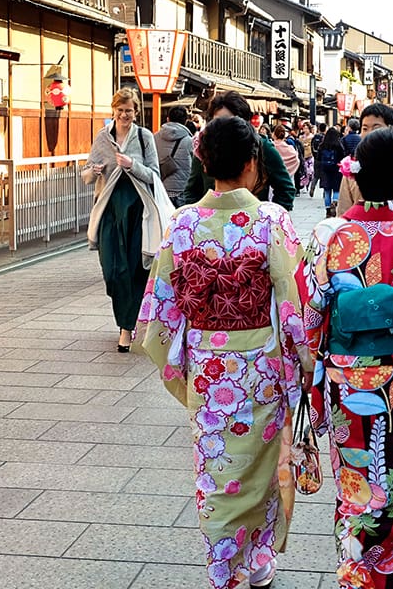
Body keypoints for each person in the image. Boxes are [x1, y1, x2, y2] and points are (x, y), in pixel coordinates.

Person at [136, 116, 312, 589]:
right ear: (253, 163)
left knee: (216, 470)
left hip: (210, 369)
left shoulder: (184, 222)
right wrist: (307, 361)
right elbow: (294, 305)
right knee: (259, 465)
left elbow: (162, 306)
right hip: (261, 366)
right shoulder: (272, 221)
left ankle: (223, 564)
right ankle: (257, 561)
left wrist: (182, 359)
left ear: (205, 162)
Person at [302, 126, 393, 589]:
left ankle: (359, 575)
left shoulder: (329, 235)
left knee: (357, 481)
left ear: (354, 178)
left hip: (349, 377)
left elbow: (311, 311)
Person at [83, 88, 168, 353]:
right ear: (113, 110)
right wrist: (93, 171)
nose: (124, 115)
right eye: (120, 110)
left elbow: (154, 174)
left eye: (129, 111)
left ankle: (126, 328)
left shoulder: (144, 137)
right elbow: (85, 172)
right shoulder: (102, 138)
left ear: (136, 111)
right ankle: (126, 320)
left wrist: (132, 165)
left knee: (134, 271)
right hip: (110, 211)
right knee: (112, 271)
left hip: (137, 211)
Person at [180, 91, 296, 210]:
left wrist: (270, 217)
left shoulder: (261, 146)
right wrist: (199, 217)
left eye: (231, 122)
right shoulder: (205, 147)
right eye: (218, 122)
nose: (224, 128)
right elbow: (191, 190)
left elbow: (285, 189)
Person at [336, 104, 393, 218]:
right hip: (358, 235)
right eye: (365, 128)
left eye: (376, 128)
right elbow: (343, 212)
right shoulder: (353, 168)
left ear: (391, 129)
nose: (369, 134)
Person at [154, 105, 194, 208]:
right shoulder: (189, 141)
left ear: (168, 119)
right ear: (186, 121)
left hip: (160, 189)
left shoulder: (154, 137)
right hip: (182, 190)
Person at [316, 126, 346, 216]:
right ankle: (335, 203)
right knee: (336, 190)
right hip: (336, 170)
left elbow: (318, 158)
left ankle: (328, 210)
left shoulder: (322, 146)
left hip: (325, 171)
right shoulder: (339, 146)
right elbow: (343, 157)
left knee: (327, 191)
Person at [272, 124, 300, 189]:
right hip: (288, 179)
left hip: (274, 178)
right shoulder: (290, 148)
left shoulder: (271, 146)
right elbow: (297, 160)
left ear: (274, 134)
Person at [309, 122, 328, 198]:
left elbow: (311, 146)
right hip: (323, 159)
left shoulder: (315, 137)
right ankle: (324, 193)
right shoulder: (326, 137)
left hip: (316, 159)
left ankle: (312, 188)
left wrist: (314, 155)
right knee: (324, 176)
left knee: (316, 175)